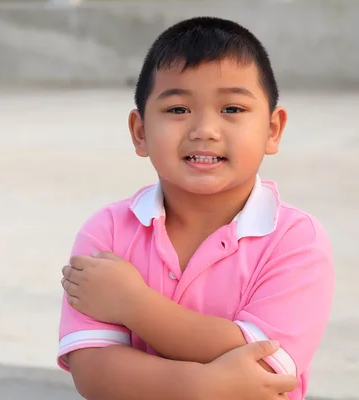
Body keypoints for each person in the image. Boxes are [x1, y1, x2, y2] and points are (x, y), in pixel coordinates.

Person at [57, 16, 335, 400]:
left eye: (232, 109)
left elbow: (267, 368)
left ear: (273, 130)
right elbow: (93, 372)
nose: (204, 129)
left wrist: (132, 304)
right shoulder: (107, 231)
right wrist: (208, 385)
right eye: (177, 110)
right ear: (140, 132)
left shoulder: (295, 240)